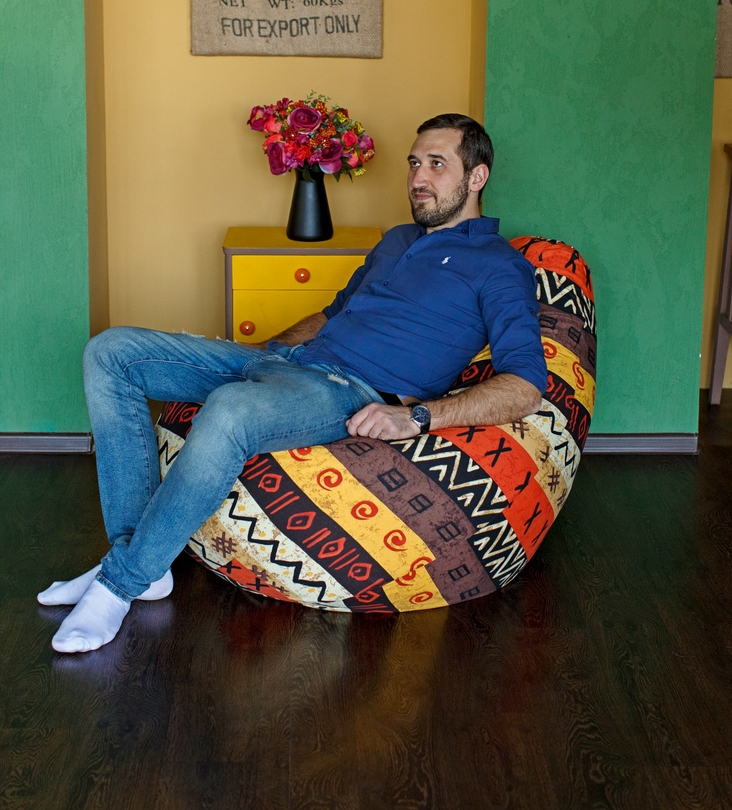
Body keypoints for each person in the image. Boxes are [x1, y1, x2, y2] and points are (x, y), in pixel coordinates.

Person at [39, 113, 548, 652]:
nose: (418, 178)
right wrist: (266, 351)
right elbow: (332, 313)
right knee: (110, 351)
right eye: (414, 163)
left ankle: (118, 584)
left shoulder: (498, 266)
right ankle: (138, 560)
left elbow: (526, 385)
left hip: (346, 391)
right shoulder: (397, 239)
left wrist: (417, 417)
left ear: (477, 177)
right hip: (288, 362)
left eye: (437, 164)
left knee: (230, 409)